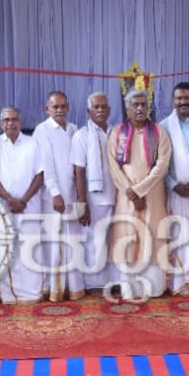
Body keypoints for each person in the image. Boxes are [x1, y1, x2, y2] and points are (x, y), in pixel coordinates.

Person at [105, 89, 172, 300]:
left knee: (152, 237)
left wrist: (140, 190)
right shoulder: (117, 132)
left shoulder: (159, 132)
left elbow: (162, 165)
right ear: (127, 109)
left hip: (153, 194)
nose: (140, 108)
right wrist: (131, 192)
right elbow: (113, 166)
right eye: (135, 105)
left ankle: (154, 288)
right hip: (127, 196)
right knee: (128, 237)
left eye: (144, 104)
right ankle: (129, 289)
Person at [0, 106, 46, 303]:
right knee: (7, 251)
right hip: (4, 207)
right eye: (6, 120)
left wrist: (24, 200)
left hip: (30, 206)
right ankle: (9, 294)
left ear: (20, 122)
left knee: (30, 249)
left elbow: (40, 176)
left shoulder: (33, 143)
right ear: (1, 123)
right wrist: (9, 199)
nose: (10, 123)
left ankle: (32, 292)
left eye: (14, 119)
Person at [36, 91, 85, 301]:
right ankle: (54, 289)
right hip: (53, 197)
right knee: (54, 244)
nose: (59, 110)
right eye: (55, 107)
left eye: (63, 106)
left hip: (71, 194)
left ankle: (73, 287)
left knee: (72, 242)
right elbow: (45, 165)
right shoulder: (42, 130)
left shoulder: (73, 129)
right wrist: (55, 193)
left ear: (68, 107)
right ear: (47, 109)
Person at [159, 82, 189, 296]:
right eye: (179, 98)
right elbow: (161, 162)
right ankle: (181, 282)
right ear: (173, 101)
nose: (183, 102)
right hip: (176, 191)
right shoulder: (164, 126)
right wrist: (174, 185)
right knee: (181, 235)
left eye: (187, 98)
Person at [72, 92, 118, 292]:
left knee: (114, 241)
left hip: (117, 195)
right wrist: (83, 203)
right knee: (94, 242)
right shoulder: (82, 136)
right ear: (88, 111)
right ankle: (94, 283)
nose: (100, 110)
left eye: (103, 107)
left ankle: (113, 281)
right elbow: (78, 171)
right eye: (96, 107)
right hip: (94, 198)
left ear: (109, 110)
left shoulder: (116, 132)